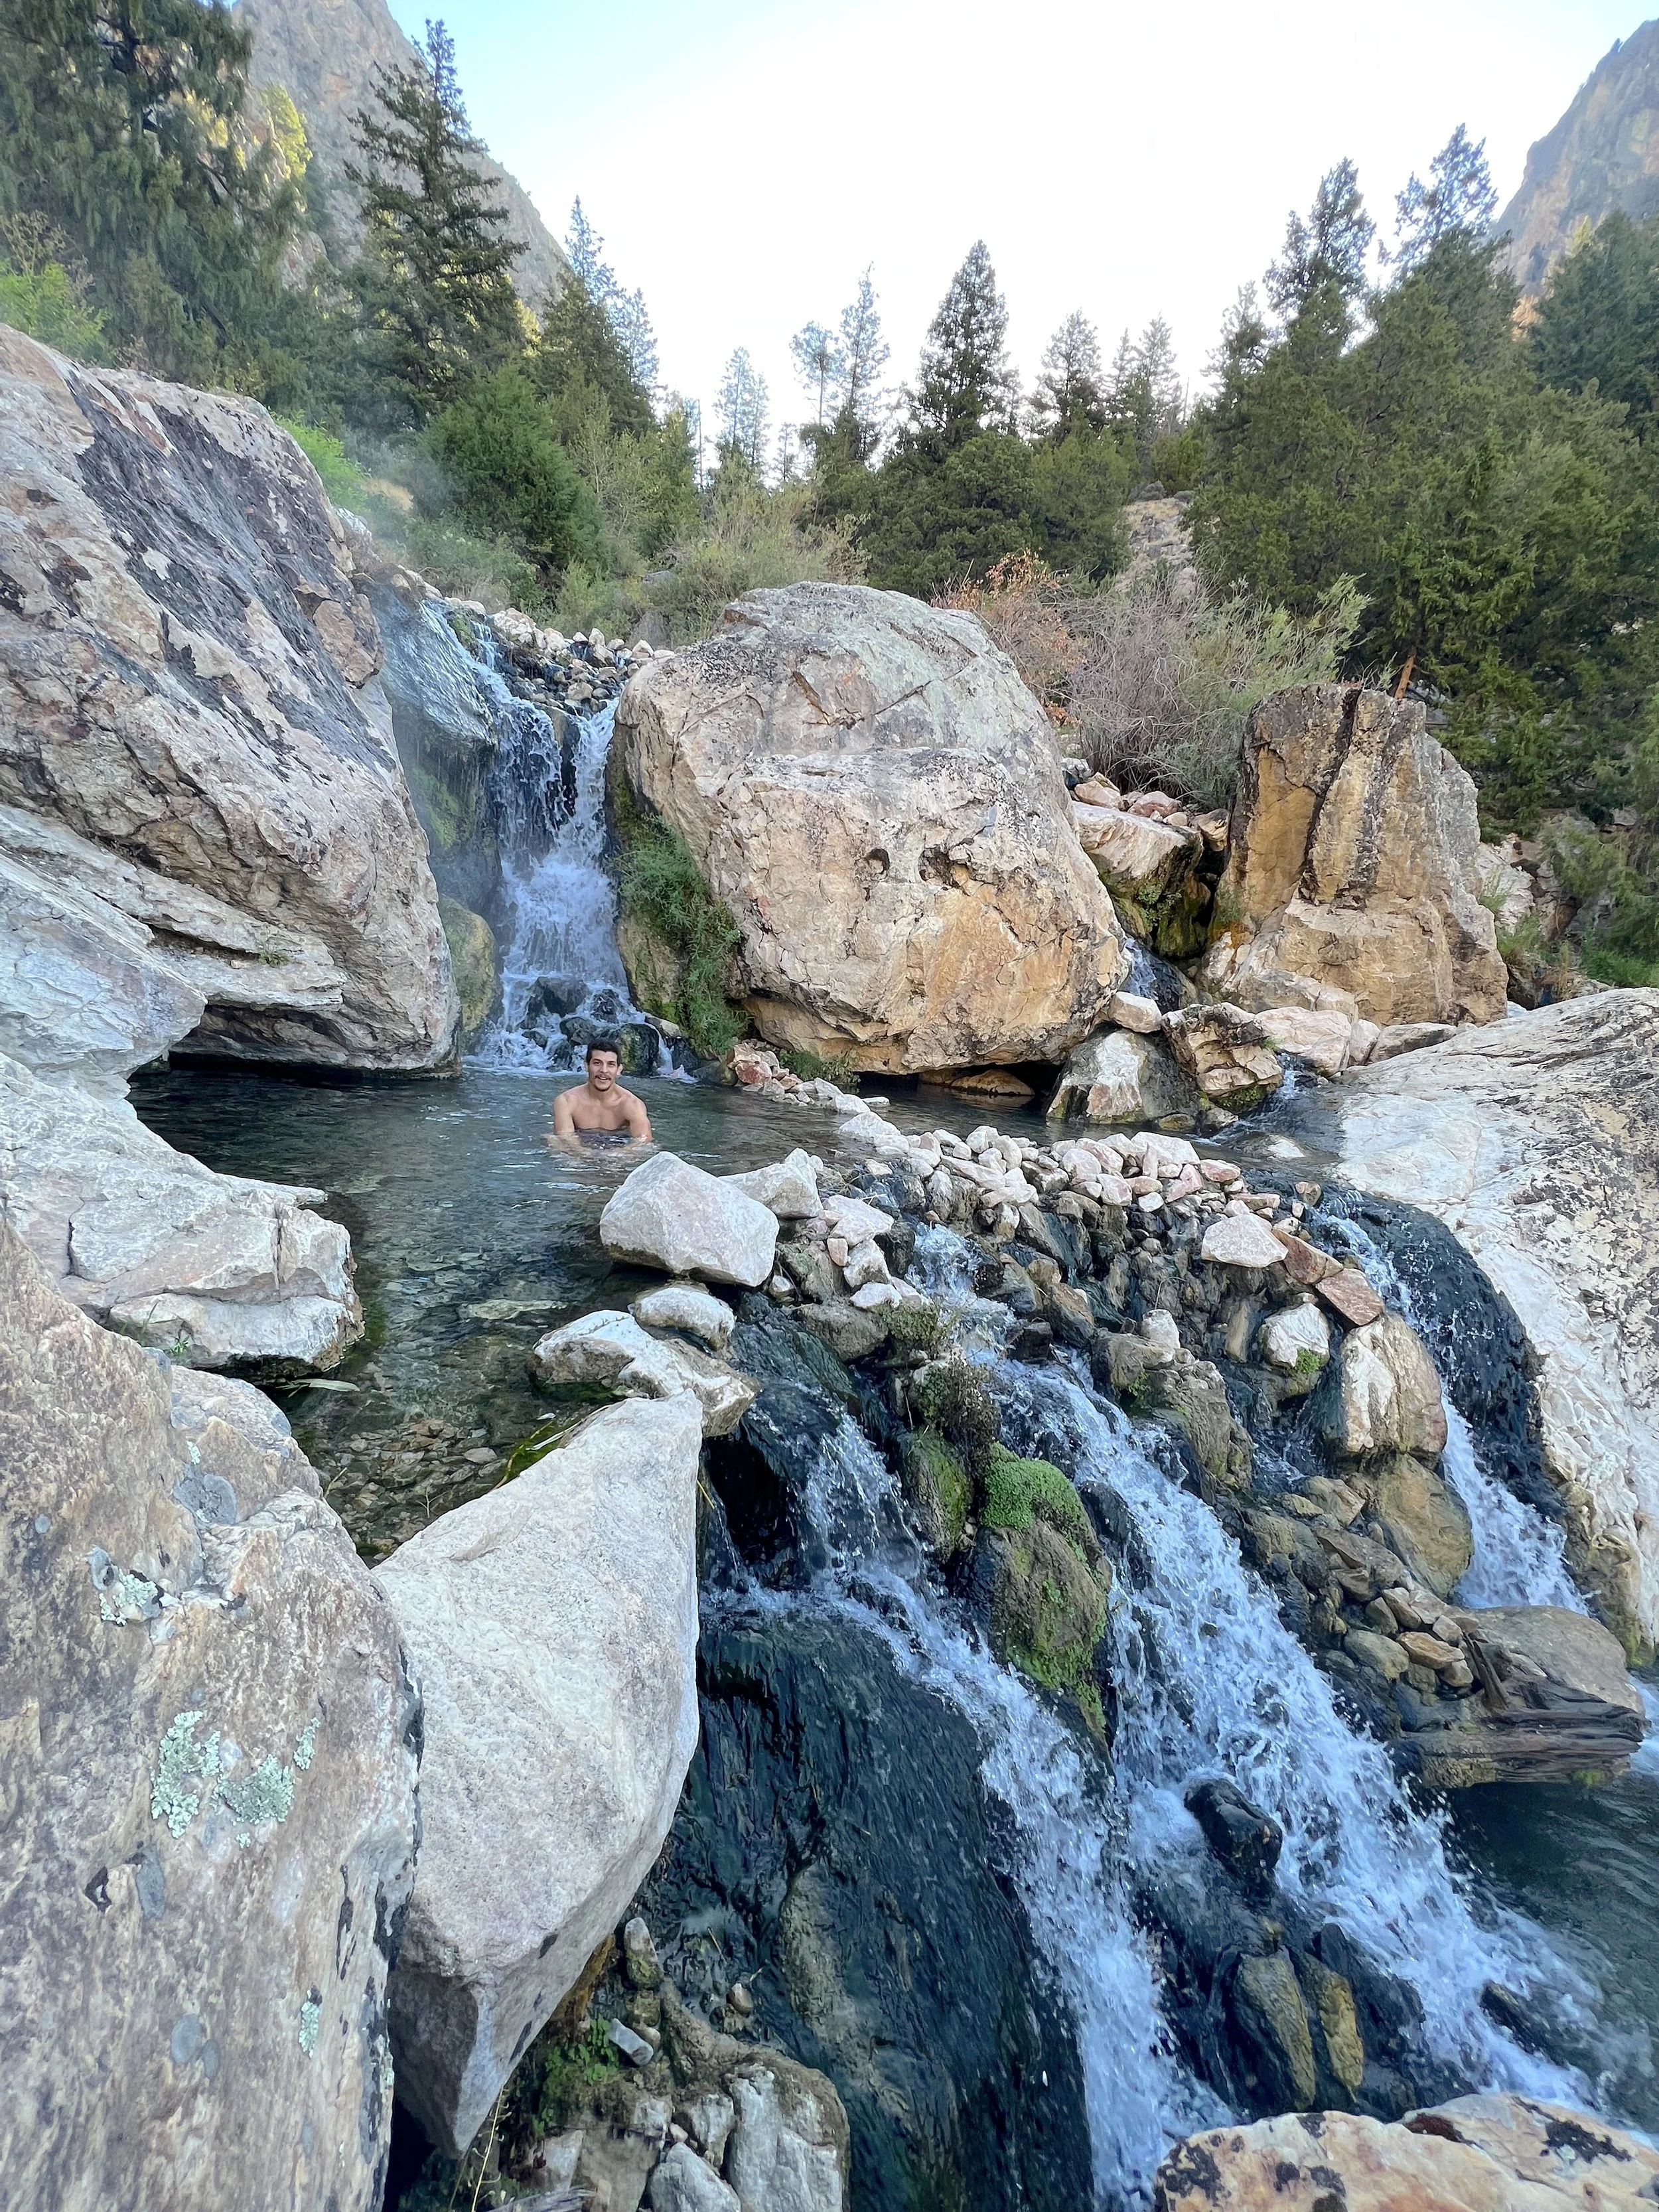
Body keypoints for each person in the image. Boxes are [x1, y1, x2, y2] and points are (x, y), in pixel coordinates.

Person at [549, 1036, 652, 1145]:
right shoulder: (567, 1101)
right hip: (579, 1151)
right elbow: (565, 1139)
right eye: (597, 1063)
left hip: (619, 1148)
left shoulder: (632, 1104)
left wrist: (615, 1156)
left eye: (611, 1064)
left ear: (619, 1070)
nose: (604, 1070)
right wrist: (586, 1156)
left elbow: (643, 1141)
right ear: (587, 1066)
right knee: (553, 1141)